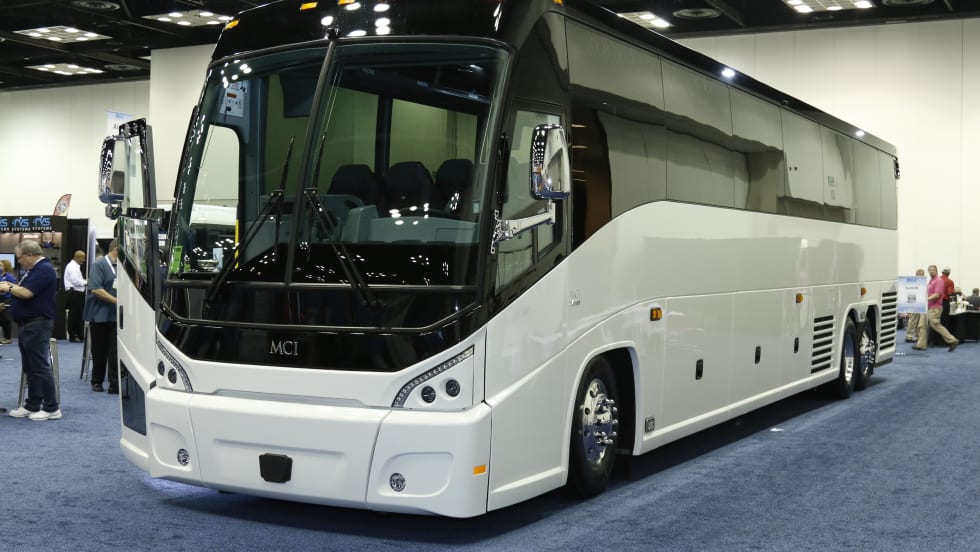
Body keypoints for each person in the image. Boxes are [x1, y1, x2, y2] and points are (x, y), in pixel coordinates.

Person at [0, 240, 62, 420]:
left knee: (40, 366)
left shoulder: (43, 269)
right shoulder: (36, 270)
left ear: (29, 255)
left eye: (20, 258)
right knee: (31, 367)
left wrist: (8, 287)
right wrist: (12, 287)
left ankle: (51, 408)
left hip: (37, 324)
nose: (19, 261)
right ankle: (32, 404)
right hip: (29, 324)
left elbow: (26, 293)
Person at [84, 239, 118, 393]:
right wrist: (117, 301)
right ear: (116, 250)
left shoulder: (121, 266)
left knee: (115, 351)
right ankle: (97, 381)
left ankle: (115, 384)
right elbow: (96, 289)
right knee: (100, 350)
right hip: (100, 315)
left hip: (116, 315)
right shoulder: (99, 265)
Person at [914, 265, 958, 352]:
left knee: (935, 325)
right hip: (927, 307)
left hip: (935, 308)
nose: (931, 271)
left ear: (937, 271)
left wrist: (925, 299)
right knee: (922, 325)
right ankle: (921, 345)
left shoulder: (939, 281)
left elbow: (937, 295)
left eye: (933, 270)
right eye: (929, 270)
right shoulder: (930, 281)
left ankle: (952, 340)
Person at [63, 250, 87, 342]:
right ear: (77, 257)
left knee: (77, 315)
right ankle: (73, 336)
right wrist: (86, 282)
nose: (84, 260)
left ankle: (79, 335)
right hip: (74, 293)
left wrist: (84, 281)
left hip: (76, 293)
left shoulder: (74, 266)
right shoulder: (73, 267)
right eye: (83, 258)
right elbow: (76, 281)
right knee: (74, 315)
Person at [905, 268, 926, 343]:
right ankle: (909, 336)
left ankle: (917, 336)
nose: (920, 276)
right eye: (919, 275)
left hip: (922, 304)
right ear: (916, 275)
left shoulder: (924, 284)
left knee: (920, 322)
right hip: (915, 304)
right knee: (913, 321)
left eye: (922, 275)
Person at [0, 259, 15, 345]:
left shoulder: (9, 277)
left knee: (5, 319)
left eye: (1, 265)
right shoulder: (0, 275)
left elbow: (13, 289)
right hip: (0, 298)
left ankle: (8, 338)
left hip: (7, 299)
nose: (0, 267)